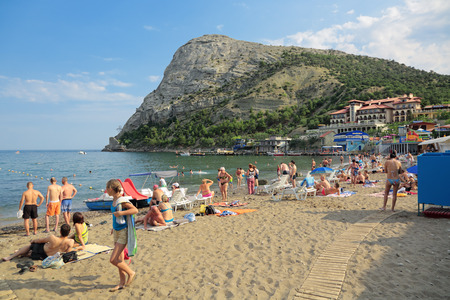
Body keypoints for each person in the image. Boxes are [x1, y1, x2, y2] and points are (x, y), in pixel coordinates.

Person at [106, 179, 138, 292]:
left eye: (106, 188)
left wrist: (121, 213)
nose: (106, 190)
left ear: (110, 188)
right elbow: (116, 217)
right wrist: (113, 227)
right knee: (119, 259)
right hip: (116, 231)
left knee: (113, 259)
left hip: (123, 232)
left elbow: (135, 210)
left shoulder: (122, 200)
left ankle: (131, 272)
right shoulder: (115, 199)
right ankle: (121, 283)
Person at [2, 224, 74, 261]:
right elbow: (68, 253)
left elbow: (40, 240)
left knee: (31, 246)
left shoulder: (52, 237)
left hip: (42, 250)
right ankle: (20, 252)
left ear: (60, 231)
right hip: (46, 257)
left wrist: (33, 241)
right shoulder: (70, 242)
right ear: (69, 232)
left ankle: (11, 257)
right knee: (30, 253)